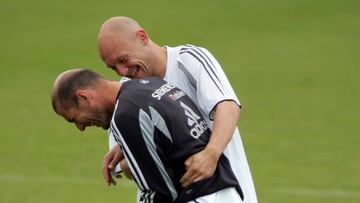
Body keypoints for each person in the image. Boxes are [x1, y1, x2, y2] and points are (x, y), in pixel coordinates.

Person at [97, 16, 258, 203]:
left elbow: (228, 106)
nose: (123, 71)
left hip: (227, 193)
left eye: (123, 60)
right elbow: (126, 166)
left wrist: (211, 153)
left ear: (142, 37)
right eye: (113, 67)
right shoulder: (126, 97)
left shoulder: (189, 59)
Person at [51, 69, 244, 203]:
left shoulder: (126, 114)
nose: (80, 127)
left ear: (84, 97)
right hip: (227, 189)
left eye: (73, 118)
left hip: (200, 196)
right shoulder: (152, 84)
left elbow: (158, 192)